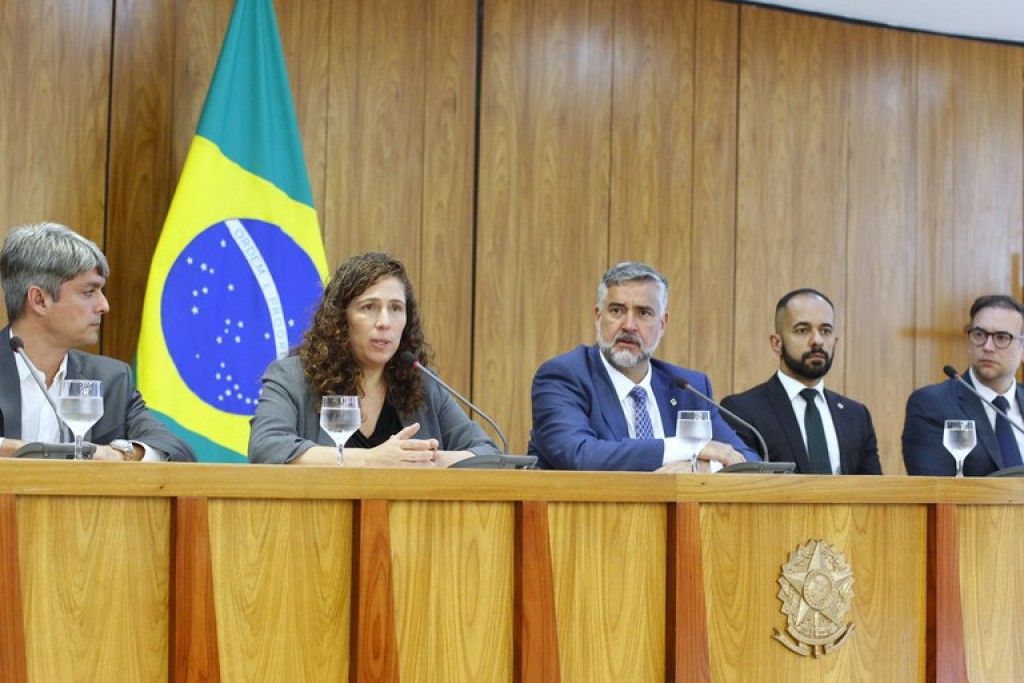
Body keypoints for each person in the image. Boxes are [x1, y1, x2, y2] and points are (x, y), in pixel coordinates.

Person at [248, 252, 500, 466]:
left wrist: (424, 459)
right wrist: (372, 459)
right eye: (369, 307)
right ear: (340, 318)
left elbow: (488, 454)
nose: (384, 322)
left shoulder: (422, 385)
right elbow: (266, 448)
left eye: (396, 308)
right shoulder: (292, 377)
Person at [527, 262, 757, 471]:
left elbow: (748, 462)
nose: (629, 325)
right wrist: (685, 449)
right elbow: (581, 455)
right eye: (616, 310)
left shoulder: (688, 388)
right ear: (598, 317)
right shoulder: (564, 377)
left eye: (644, 313)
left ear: (662, 324)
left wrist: (699, 468)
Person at [0, 222, 195, 461]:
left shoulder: (109, 380)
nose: (104, 306)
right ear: (39, 300)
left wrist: (119, 453)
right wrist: (12, 448)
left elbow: (178, 452)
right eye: (89, 292)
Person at [721, 289, 881, 474]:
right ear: (777, 343)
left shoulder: (856, 416)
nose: (817, 341)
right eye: (802, 330)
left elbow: (875, 488)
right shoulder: (742, 412)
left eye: (825, 331)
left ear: (835, 342)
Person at [903, 294, 1024, 476]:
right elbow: (935, 486)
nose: (987, 347)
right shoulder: (932, 404)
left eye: (1001, 337)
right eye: (979, 335)